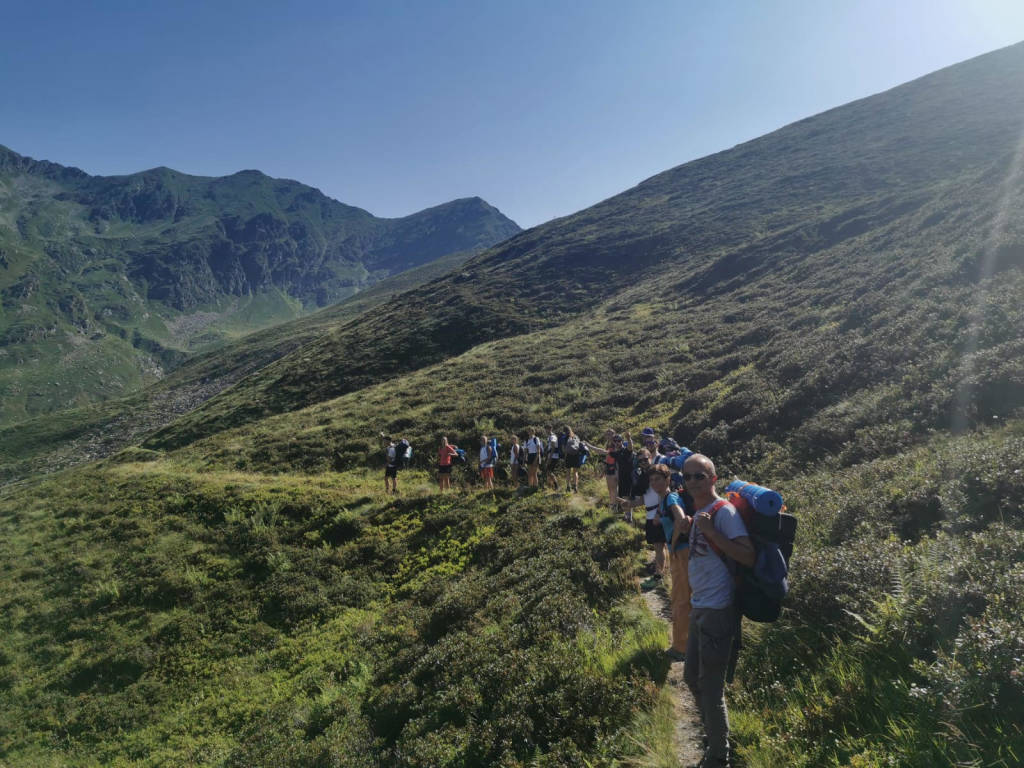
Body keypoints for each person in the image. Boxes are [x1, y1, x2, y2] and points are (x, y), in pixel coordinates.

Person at [683, 453, 755, 768]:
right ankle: (714, 733)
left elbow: (748, 557)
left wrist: (711, 532)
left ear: (714, 478)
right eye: (688, 476)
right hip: (700, 606)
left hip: (717, 610)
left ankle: (718, 757)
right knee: (692, 678)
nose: (693, 481)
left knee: (711, 687)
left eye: (700, 475)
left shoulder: (722, 513)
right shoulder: (699, 511)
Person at [648, 463, 692, 662]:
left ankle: (680, 648)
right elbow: (662, 517)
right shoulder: (663, 499)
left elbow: (681, 520)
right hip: (682, 552)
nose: (654, 483)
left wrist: (673, 544)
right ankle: (686, 642)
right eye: (652, 480)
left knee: (681, 600)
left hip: (681, 553)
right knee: (682, 598)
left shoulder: (671, 497)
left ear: (668, 480)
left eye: (658, 479)